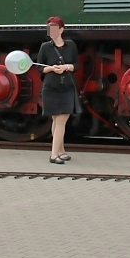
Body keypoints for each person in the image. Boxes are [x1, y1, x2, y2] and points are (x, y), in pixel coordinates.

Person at [36, 16, 80, 164]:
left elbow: (76, 65)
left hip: (67, 86)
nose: (51, 31)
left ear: (61, 29)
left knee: (60, 119)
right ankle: (54, 155)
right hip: (51, 86)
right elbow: (39, 68)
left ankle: (60, 151)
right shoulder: (45, 47)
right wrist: (51, 68)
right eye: (49, 28)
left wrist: (66, 67)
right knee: (57, 119)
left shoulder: (71, 45)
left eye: (54, 28)